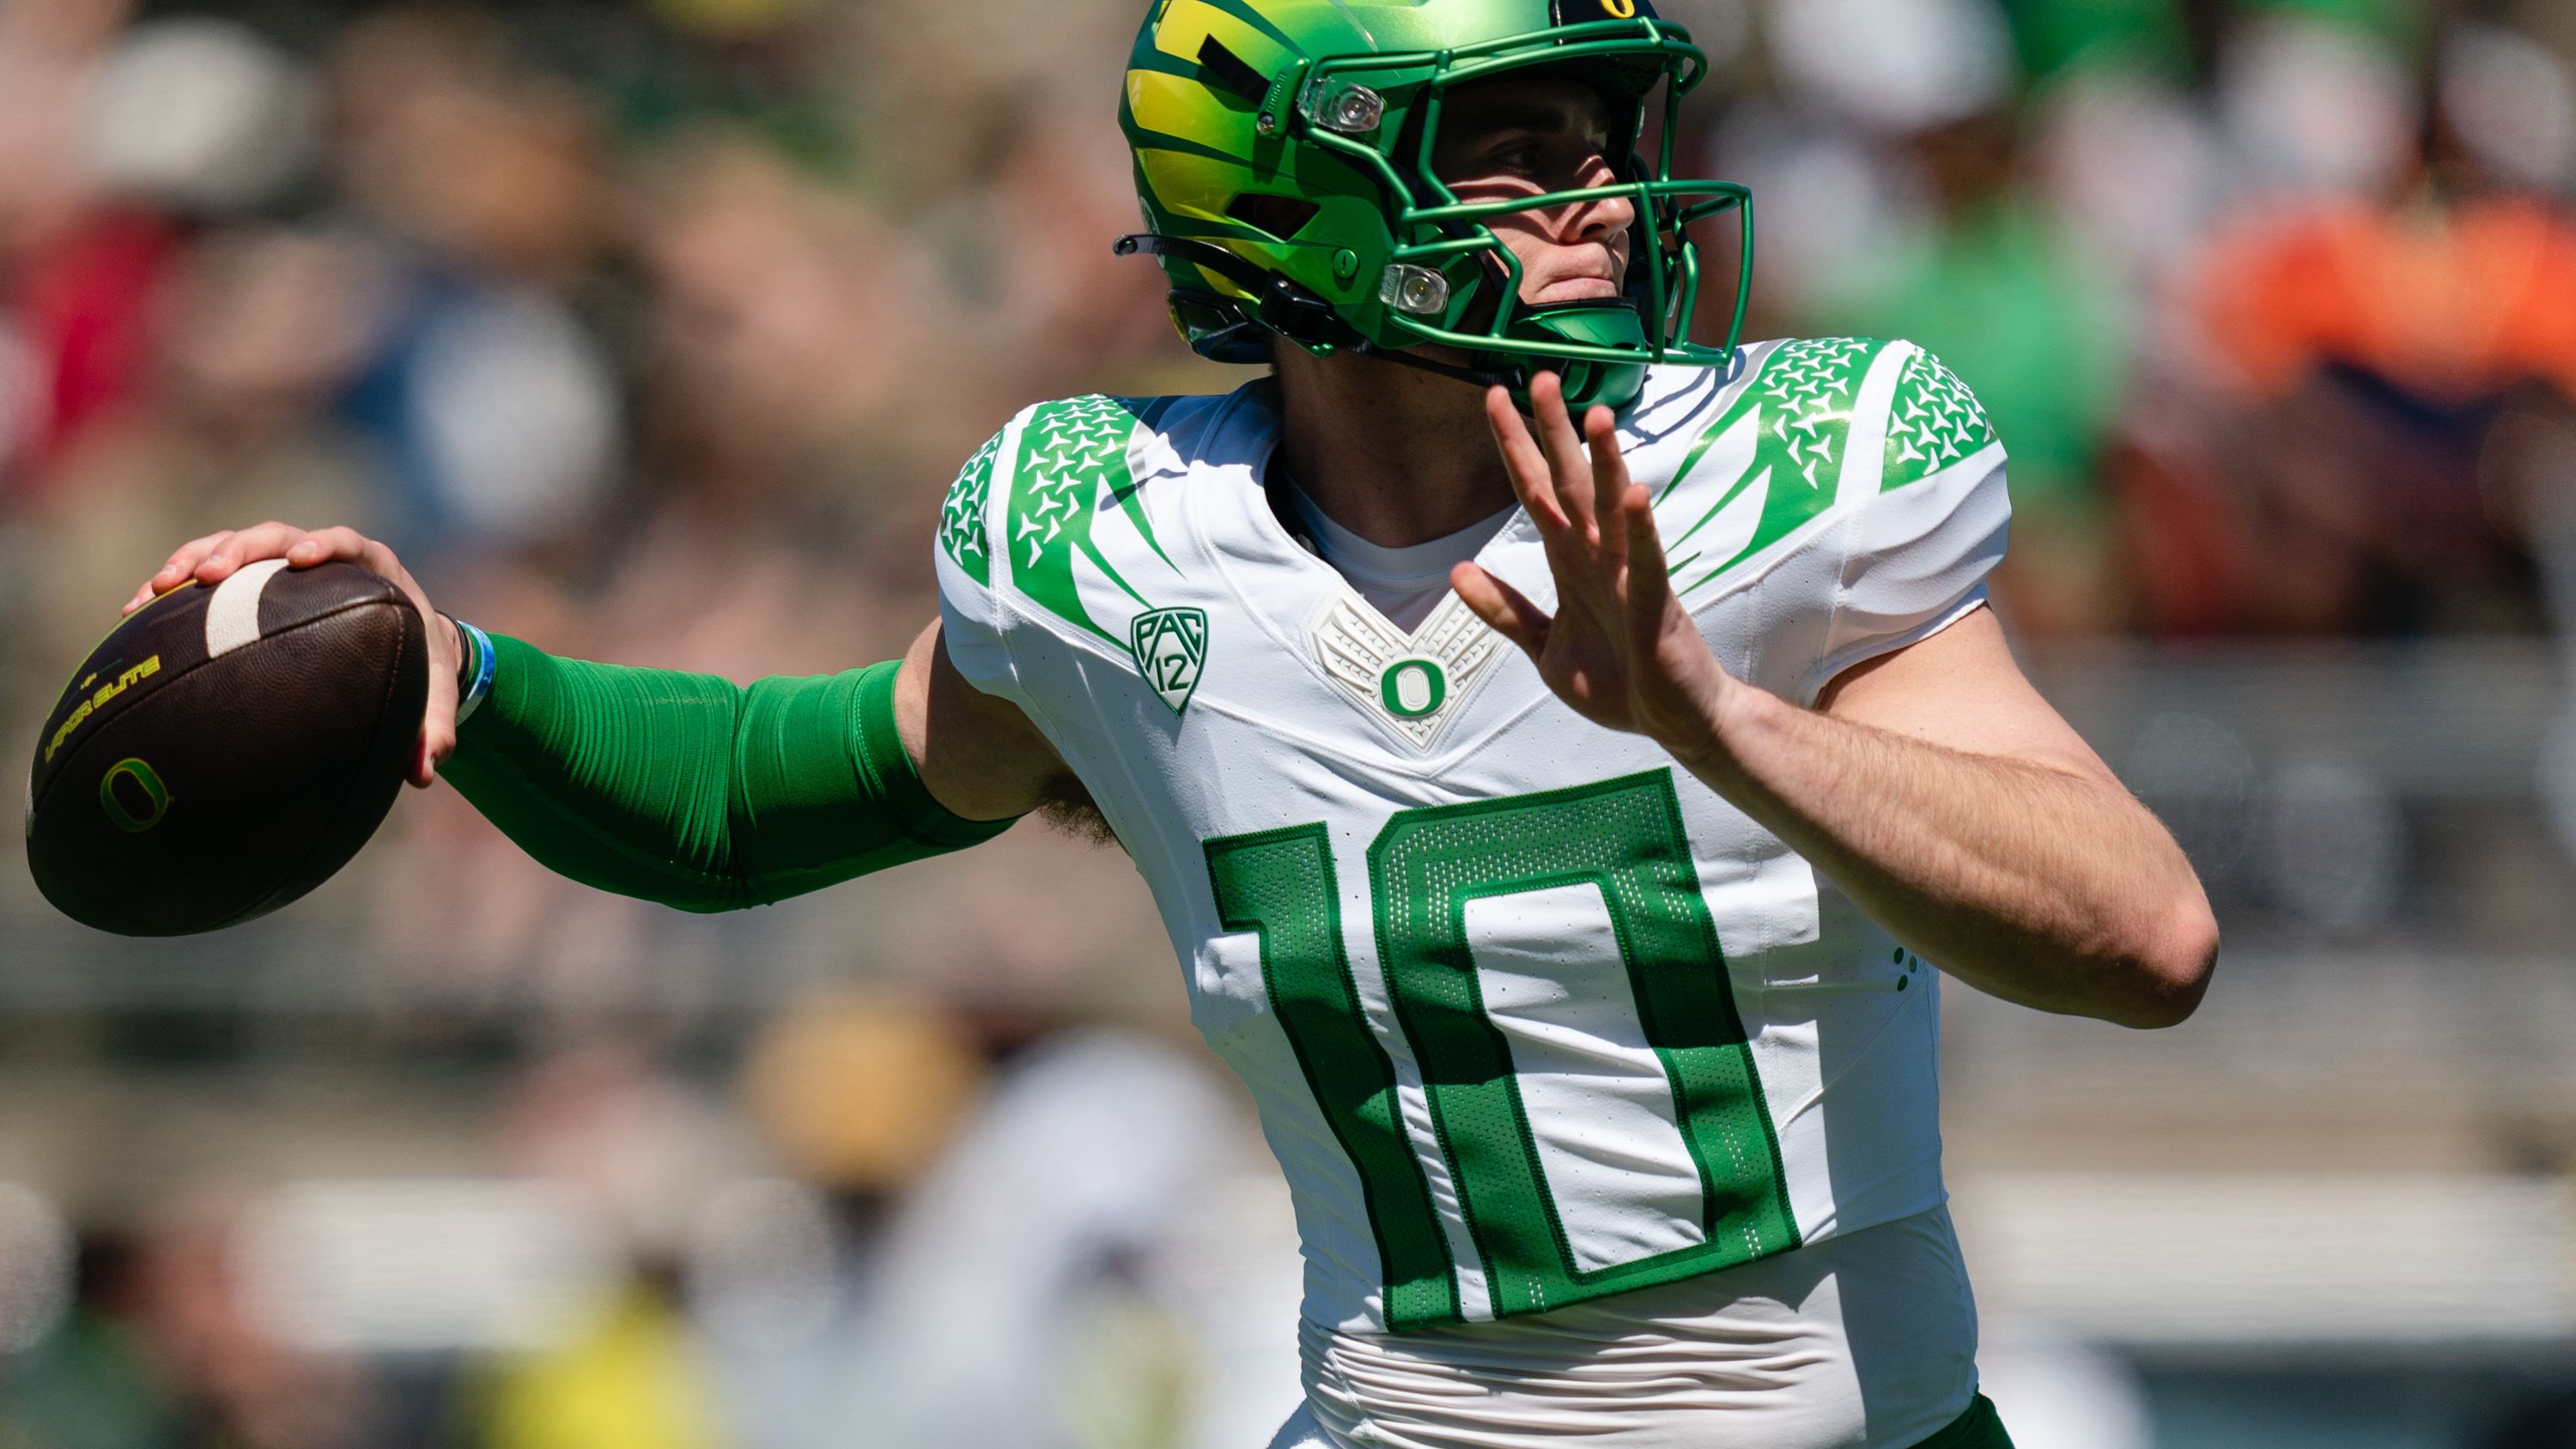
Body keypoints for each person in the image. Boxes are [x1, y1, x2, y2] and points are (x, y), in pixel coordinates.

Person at [128, 3, 2218, 1445]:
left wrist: (1716, 718)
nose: (1597, 193)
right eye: (1510, 148)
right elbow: (757, 795)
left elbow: (2145, 934)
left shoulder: (1788, 474)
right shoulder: (1118, 548)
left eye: (1600, 134)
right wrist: (461, 672)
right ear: (1299, 201)